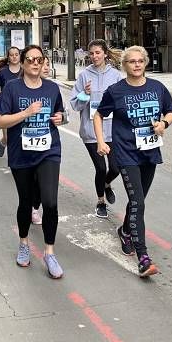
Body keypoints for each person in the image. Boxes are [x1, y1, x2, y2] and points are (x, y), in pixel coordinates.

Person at [94, 46, 172, 278]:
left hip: (149, 152)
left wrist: (164, 124)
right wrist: (101, 142)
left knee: (138, 200)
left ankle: (125, 231)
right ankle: (143, 257)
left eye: (141, 61)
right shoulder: (116, 91)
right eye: (132, 61)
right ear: (125, 65)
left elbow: (171, 112)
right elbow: (98, 115)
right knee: (138, 203)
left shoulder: (157, 88)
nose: (137, 65)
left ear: (146, 63)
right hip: (126, 152)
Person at [0, 44, 66, 279]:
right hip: (21, 153)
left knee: (50, 202)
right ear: (23, 64)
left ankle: (49, 252)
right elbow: (0, 122)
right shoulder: (12, 89)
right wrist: (26, 113)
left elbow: (61, 115)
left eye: (39, 60)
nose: (36, 64)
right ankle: (24, 243)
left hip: (49, 151)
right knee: (26, 202)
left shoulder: (52, 88)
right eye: (31, 60)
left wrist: (60, 118)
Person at [70, 39, 123, 218]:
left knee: (115, 168)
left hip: (112, 131)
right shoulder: (84, 75)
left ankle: (106, 184)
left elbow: (122, 102)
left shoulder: (115, 75)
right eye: (91, 53)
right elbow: (75, 105)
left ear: (105, 54)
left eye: (98, 53)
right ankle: (101, 201)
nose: (94, 56)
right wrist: (85, 93)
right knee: (101, 168)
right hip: (91, 131)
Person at [0, 47, 23, 154]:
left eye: (16, 54)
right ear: (8, 57)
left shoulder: (25, 71)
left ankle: (17, 161)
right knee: (8, 137)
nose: (14, 57)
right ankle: (3, 142)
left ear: (20, 56)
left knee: (21, 136)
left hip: (22, 107)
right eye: (11, 55)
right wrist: (4, 96)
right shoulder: (2, 72)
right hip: (7, 108)